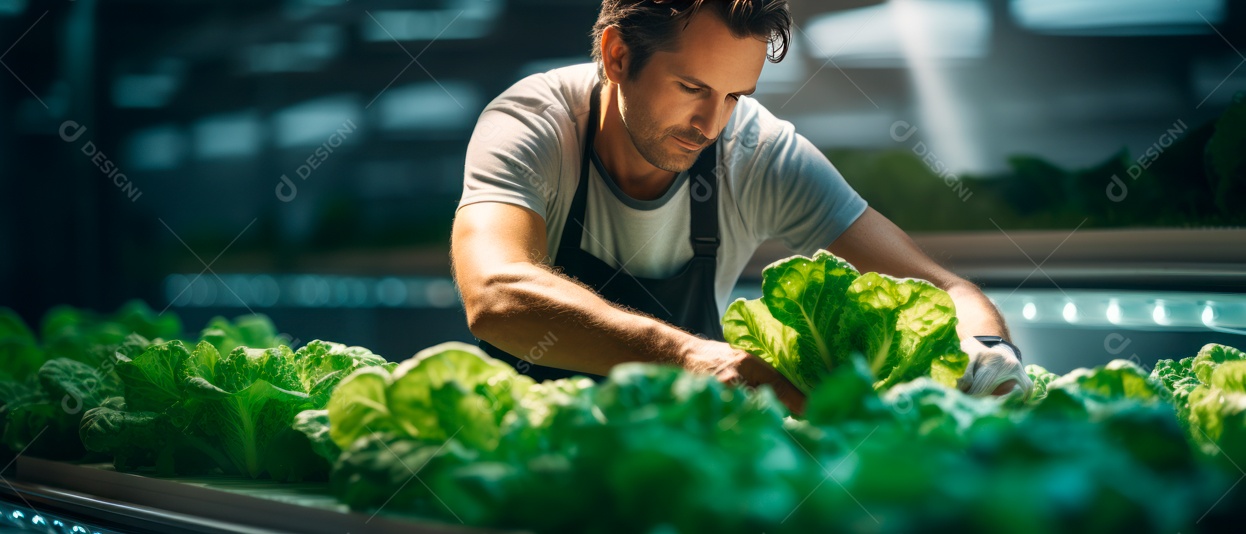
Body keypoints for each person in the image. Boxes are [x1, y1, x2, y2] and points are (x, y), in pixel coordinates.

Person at [452, 0, 1032, 413]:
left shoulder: (758, 152)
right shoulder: (532, 124)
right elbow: (498, 295)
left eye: (735, 95)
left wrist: (989, 353)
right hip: (529, 456)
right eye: (692, 88)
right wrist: (688, 354)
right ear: (618, 55)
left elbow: (946, 291)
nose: (711, 124)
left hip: (687, 460)